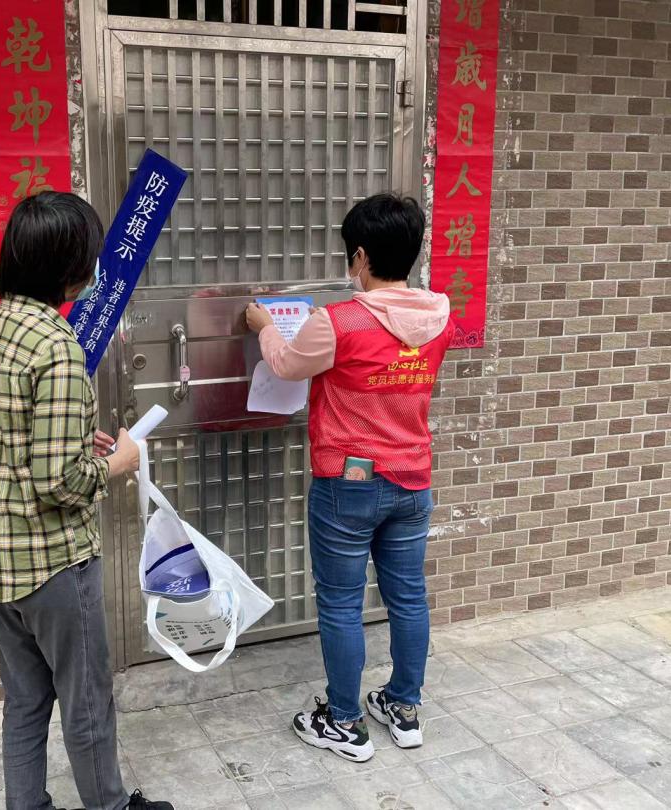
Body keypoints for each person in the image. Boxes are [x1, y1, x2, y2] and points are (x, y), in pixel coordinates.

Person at [0, 191, 174, 810]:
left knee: (25, 701)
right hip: (52, 563)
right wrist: (116, 462)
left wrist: (82, 443)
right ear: (68, 266)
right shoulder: (56, 346)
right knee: (86, 702)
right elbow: (57, 481)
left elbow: (12, 437)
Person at [245, 194, 454, 763]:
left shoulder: (338, 321)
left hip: (349, 483)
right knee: (408, 597)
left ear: (360, 256)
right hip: (413, 479)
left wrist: (265, 326)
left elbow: (286, 365)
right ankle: (403, 708)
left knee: (340, 603)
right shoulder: (440, 317)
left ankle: (343, 721)